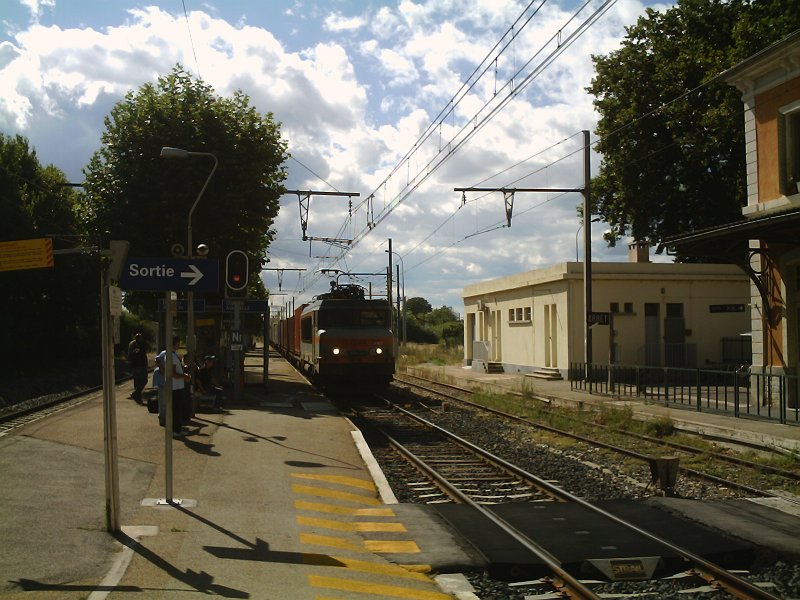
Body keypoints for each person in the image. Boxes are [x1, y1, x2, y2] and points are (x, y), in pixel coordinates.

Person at [154, 336, 191, 436]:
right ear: (174, 343)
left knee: (177, 408)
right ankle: (175, 430)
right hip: (175, 386)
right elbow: (173, 373)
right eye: (178, 343)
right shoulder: (171, 356)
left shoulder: (173, 355)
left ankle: (177, 429)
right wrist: (184, 376)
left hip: (177, 386)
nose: (179, 345)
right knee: (176, 409)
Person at [127, 332, 148, 403]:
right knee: (144, 380)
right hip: (141, 365)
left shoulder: (131, 344)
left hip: (134, 365)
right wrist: (146, 364)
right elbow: (143, 355)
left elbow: (129, 355)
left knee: (137, 381)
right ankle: (136, 393)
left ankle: (137, 396)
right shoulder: (140, 345)